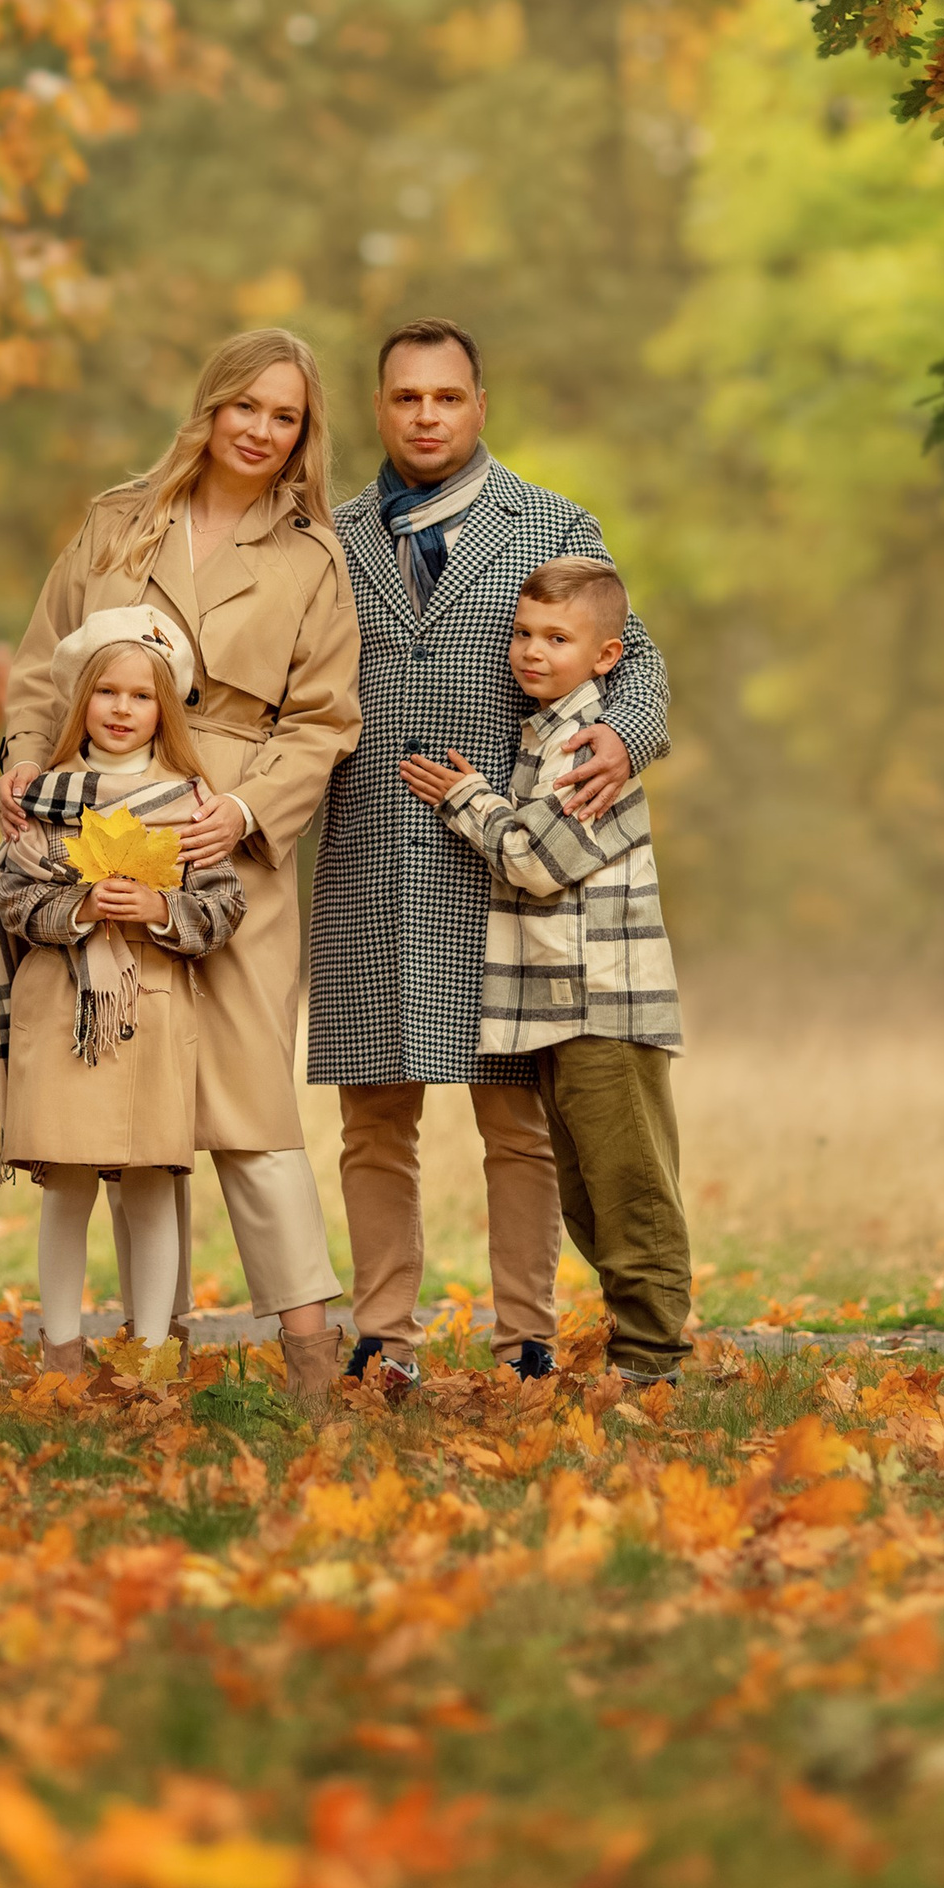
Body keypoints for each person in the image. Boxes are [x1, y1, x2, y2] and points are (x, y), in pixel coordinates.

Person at [0, 330, 361, 1405]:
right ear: (209, 408)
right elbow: (36, 666)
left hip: (225, 835)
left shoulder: (312, 558)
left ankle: (308, 1349)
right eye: (244, 406)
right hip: (94, 815)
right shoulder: (117, 522)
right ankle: (155, 1344)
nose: (260, 430)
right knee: (110, 1077)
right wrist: (23, 764)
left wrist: (243, 809)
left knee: (247, 1096)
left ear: (304, 435)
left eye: (284, 415)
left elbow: (325, 719)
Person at [309, 318, 670, 1393]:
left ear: (479, 405)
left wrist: (624, 731)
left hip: (507, 874)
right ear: (379, 408)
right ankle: (384, 1336)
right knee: (373, 1117)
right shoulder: (331, 539)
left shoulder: (550, 523)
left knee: (516, 1121)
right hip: (369, 854)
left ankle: (525, 1338)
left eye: (447, 397)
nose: (427, 416)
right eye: (406, 398)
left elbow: (636, 658)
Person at [400, 558, 691, 1380]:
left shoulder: (590, 742)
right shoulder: (544, 728)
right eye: (523, 634)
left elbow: (535, 858)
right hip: (562, 1010)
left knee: (630, 1188)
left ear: (606, 655)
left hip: (608, 1005)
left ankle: (653, 1358)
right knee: (588, 1193)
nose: (532, 651)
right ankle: (636, 1350)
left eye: (557, 638)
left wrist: (466, 797)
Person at [0, 616, 248, 1369]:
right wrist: (79, 909)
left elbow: (224, 905)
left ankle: (152, 1353)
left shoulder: (188, 802)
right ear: (79, 700)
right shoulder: (39, 802)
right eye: (106, 691)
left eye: (141, 694)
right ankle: (59, 1350)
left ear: (166, 708)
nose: (122, 708)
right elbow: (12, 900)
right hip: (57, 1005)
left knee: (149, 1182)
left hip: (150, 1012)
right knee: (65, 1184)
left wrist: (160, 909)